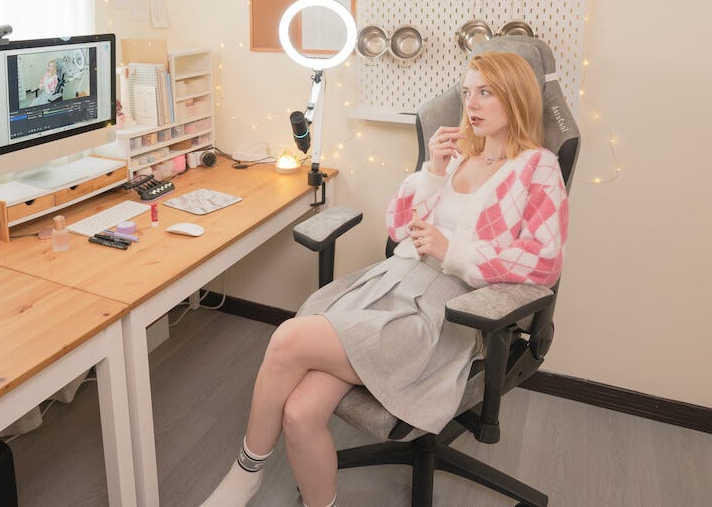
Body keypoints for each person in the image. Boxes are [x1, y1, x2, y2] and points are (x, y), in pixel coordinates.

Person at [199, 51, 569, 507]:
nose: (471, 103)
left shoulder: (537, 167)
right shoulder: (458, 157)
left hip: (445, 312)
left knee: (288, 340)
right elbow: (397, 228)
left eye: (485, 92)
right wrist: (433, 172)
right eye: (467, 92)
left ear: (515, 96)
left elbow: (544, 262)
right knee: (299, 413)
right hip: (389, 283)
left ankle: (245, 474)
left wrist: (454, 251)